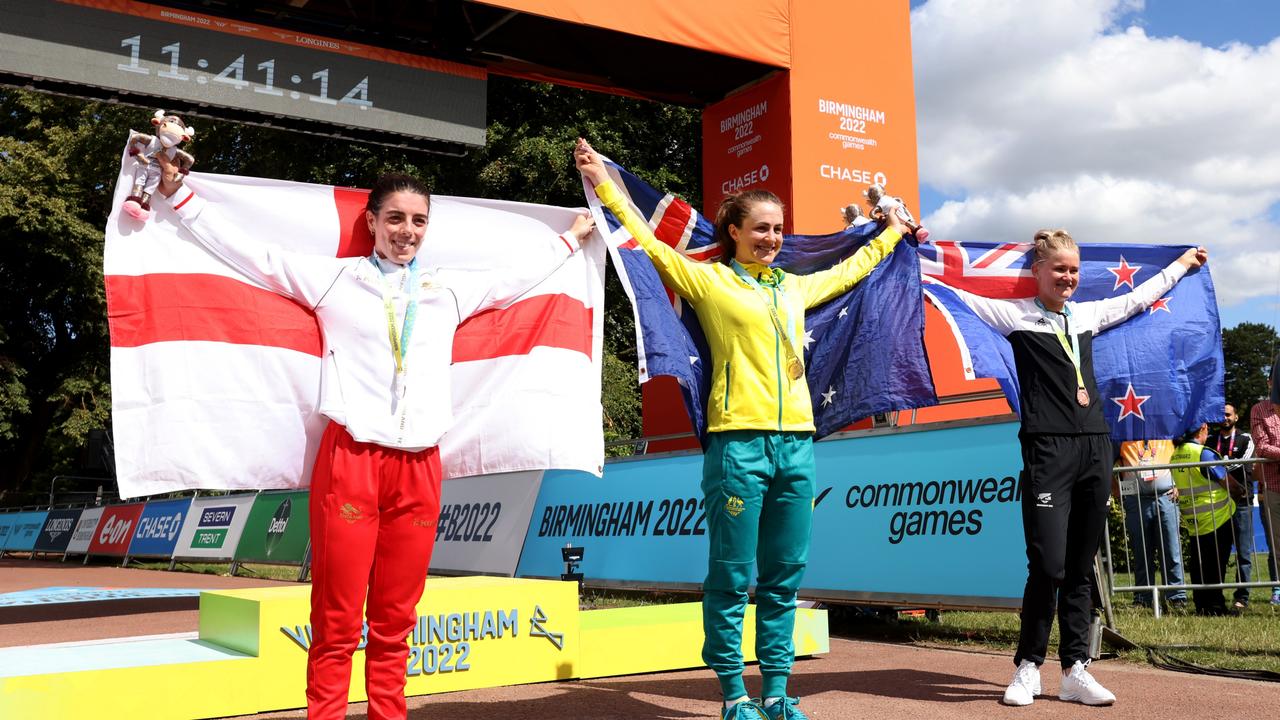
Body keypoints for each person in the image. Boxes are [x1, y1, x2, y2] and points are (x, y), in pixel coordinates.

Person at [152, 153, 594, 720]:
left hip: (420, 466)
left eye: (417, 220)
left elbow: (517, 276)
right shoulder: (334, 279)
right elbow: (251, 256)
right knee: (337, 620)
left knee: (395, 619)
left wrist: (572, 238)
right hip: (351, 461)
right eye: (395, 218)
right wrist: (179, 197)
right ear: (372, 222)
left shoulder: (448, 289)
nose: (406, 231)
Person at [575, 138, 907, 720]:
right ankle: (733, 693)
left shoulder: (796, 288)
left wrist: (892, 234)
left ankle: (777, 693)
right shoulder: (711, 284)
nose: (772, 239)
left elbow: (854, 267)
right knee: (731, 576)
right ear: (733, 231)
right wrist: (604, 183)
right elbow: (647, 243)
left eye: (778, 229)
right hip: (737, 444)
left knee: (784, 578)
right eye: (760, 228)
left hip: (797, 445)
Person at [936, 229, 1207, 707]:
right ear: (1037, 270)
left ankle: (1075, 669)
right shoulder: (1013, 314)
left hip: (1094, 447)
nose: (1068, 277)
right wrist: (899, 246)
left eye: (1074, 270)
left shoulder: (1086, 314)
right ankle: (1027, 667)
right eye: (1059, 268)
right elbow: (946, 291)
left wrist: (1181, 265)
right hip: (1047, 450)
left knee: (1081, 568)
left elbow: (1139, 297)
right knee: (1049, 563)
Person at [1111, 439, 1186, 610]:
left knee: (1171, 550)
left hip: (1166, 497)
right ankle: (1143, 598)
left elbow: (1183, 460)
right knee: (1141, 552)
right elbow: (1106, 462)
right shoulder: (1124, 439)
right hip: (1136, 501)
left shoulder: (1167, 436)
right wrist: (1115, 488)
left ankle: (1176, 598)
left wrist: (1179, 485)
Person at [1170, 423, 1236, 616]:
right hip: (1217, 517)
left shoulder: (1176, 454)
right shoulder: (1203, 453)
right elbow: (1227, 482)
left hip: (1194, 519)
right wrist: (1239, 493)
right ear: (1202, 429)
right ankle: (1216, 607)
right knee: (1216, 565)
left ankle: (1201, 605)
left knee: (1199, 565)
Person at [1209, 403, 1255, 609]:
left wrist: (1218, 467)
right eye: (1222, 415)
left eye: (1228, 415)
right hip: (1217, 503)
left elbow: (1243, 462)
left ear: (1236, 417)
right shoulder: (1210, 441)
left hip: (1241, 502)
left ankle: (1241, 597)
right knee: (1219, 552)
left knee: (1243, 553)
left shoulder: (1246, 439)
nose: (1225, 418)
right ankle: (1216, 596)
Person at [1251, 363, 1280, 606]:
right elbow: (1261, 446)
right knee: (1277, 545)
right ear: (1270, 382)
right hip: (1274, 485)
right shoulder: (1259, 409)